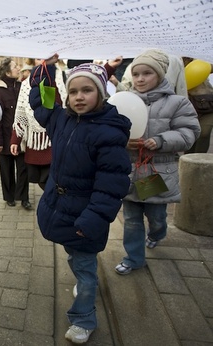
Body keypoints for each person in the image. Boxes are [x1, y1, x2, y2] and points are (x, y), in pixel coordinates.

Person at [29, 59, 132, 344]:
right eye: (73, 91)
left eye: (87, 90)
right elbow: (42, 104)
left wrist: (90, 221)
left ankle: (84, 319)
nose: (78, 96)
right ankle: (82, 282)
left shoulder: (109, 134)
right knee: (76, 259)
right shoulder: (62, 119)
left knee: (87, 272)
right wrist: (45, 71)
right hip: (61, 211)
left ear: (101, 92)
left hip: (85, 218)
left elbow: (111, 187)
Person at [114, 49, 200, 275]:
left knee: (158, 218)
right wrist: (123, 141)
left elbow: (189, 132)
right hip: (130, 172)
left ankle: (157, 234)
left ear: (160, 75)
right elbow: (110, 131)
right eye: (136, 74)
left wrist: (162, 140)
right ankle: (134, 259)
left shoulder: (178, 103)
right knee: (131, 220)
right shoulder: (124, 100)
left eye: (147, 73)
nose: (140, 79)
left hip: (158, 172)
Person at [0, 57, 32, 210]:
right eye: (15, 66)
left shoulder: (23, 86)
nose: (18, 68)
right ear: (7, 71)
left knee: (23, 169)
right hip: (5, 136)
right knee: (6, 170)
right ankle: (9, 197)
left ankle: (24, 198)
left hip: (21, 137)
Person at [10, 58, 53, 192]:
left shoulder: (56, 80)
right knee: (40, 181)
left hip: (52, 140)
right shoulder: (25, 84)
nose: (43, 61)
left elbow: (54, 109)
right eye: (39, 58)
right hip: (34, 142)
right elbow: (21, 114)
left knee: (50, 182)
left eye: (46, 59)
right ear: (33, 61)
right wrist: (15, 140)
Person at [183, 57, 213, 154]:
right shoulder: (177, 61)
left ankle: (199, 159)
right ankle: (188, 159)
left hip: (209, 104)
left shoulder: (200, 59)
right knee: (191, 134)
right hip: (189, 105)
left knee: (204, 133)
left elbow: (210, 67)